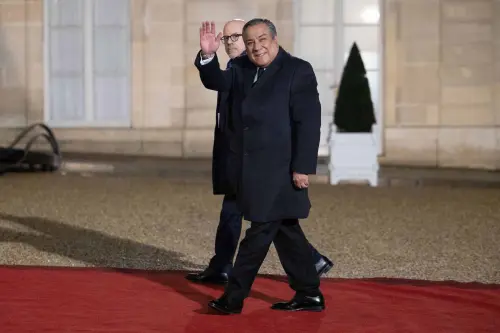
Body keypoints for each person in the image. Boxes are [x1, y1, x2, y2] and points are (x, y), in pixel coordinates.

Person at [186, 19, 333, 286]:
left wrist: (302, 166)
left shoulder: (283, 70)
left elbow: (307, 123)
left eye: (236, 38)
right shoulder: (238, 68)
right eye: (227, 38)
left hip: (260, 161)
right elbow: (216, 82)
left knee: (259, 220)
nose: (231, 43)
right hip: (237, 156)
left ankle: (233, 286)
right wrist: (208, 55)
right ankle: (309, 276)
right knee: (275, 220)